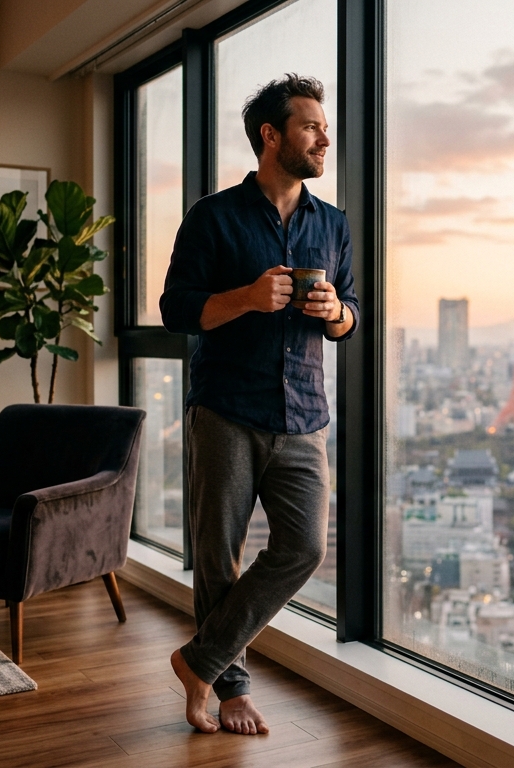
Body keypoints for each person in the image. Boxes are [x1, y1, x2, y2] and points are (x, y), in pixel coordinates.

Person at [159, 73, 358, 735]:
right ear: (271, 136)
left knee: (303, 547)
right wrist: (245, 297)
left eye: (323, 127)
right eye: (310, 125)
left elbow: (354, 308)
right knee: (219, 553)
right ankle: (230, 690)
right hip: (226, 408)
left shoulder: (333, 224)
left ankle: (201, 661)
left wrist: (338, 315)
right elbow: (176, 310)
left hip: (304, 414)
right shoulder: (213, 217)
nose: (324, 136)